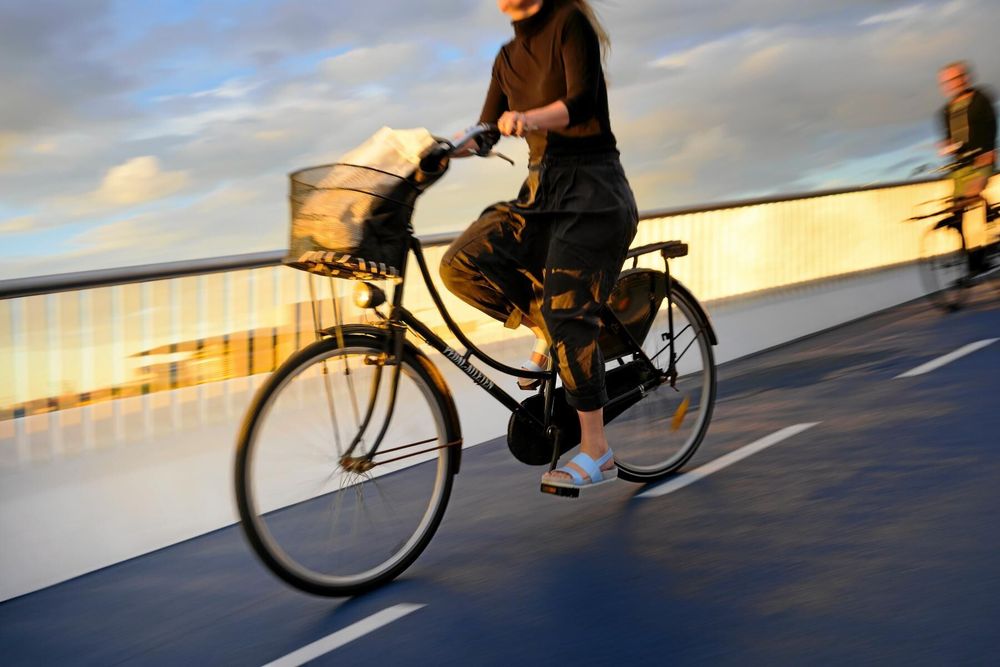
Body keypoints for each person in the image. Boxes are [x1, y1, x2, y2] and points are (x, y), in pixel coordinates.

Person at [440, 0, 638, 491]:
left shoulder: (568, 24)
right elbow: (488, 130)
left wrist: (527, 118)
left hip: (592, 189)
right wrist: (447, 147)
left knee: (570, 313)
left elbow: (581, 103)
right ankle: (545, 328)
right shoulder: (507, 56)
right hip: (540, 191)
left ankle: (597, 450)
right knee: (460, 263)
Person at [937, 61, 996, 211]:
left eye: (957, 78)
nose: (954, 84)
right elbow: (948, 138)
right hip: (960, 164)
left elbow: (991, 125)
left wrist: (989, 151)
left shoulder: (980, 99)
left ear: (965, 78)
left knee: (972, 193)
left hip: (981, 160)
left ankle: (990, 220)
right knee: (955, 209)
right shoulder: (946, 111)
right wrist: (946, 146)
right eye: (949, 81)